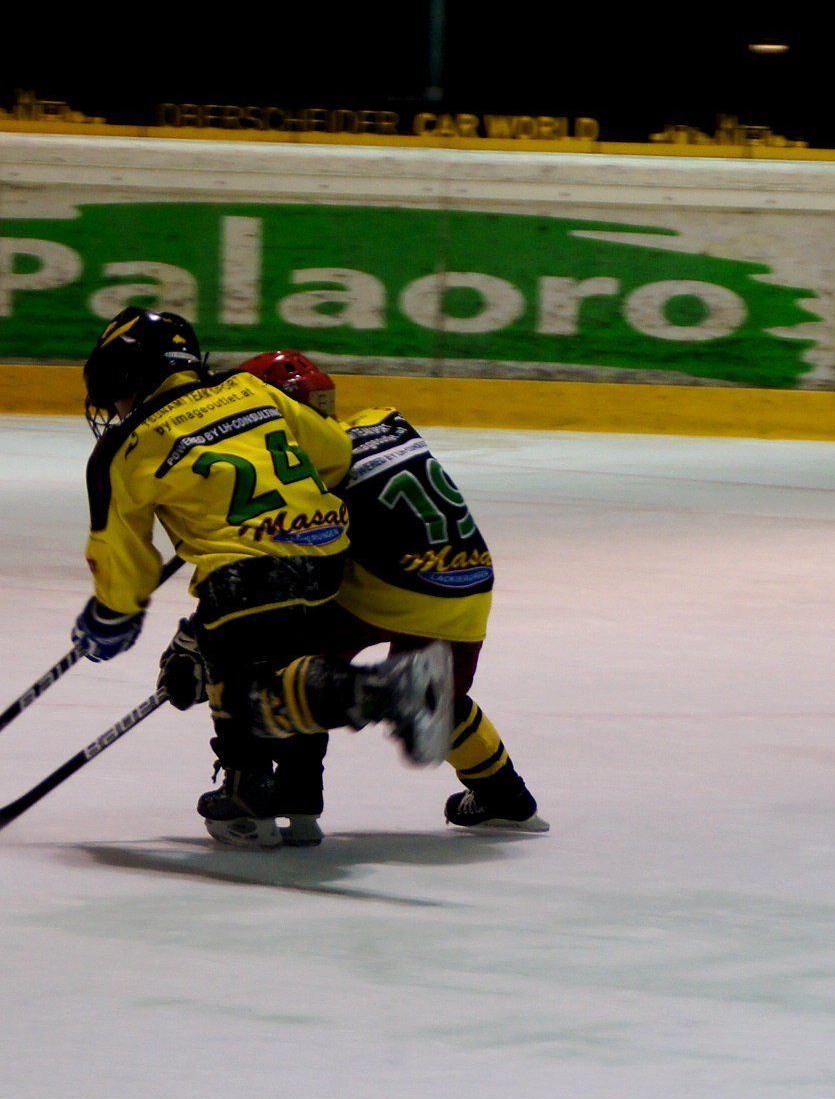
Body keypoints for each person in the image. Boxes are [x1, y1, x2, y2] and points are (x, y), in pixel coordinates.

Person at [74, 308, 453, 848]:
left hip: (247, 571)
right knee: (292, 666)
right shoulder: (249, 389)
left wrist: (110, 618)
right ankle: (296, 798)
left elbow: (124, 561)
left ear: (126, 374)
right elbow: (334, 453)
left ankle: (379, 692)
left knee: (243, 690)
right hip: (327, 554)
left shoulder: (123, 448)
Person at [235, 349, 545, 839]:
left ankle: (297, 800)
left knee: (297, 665)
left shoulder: (301, 468)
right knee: (433, 698)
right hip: (469, 583)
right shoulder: (384, 419)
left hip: (394, 589)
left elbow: (311, 560)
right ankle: (507, 798)